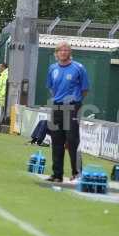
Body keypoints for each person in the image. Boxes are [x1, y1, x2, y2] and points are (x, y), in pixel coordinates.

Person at [46, 42, 89, 183]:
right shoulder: (52, 68)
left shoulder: (79, 68)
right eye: (61, 50)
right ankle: (57, 174)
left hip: (72, 107)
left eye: (66, 50)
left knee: (72, 140)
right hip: (56, 107)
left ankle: (77, 173)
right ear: (56, 53)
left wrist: (75, 102)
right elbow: (51, 88)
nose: (63, 52)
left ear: (70, 52)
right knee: (56, 140)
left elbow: (85, 89)